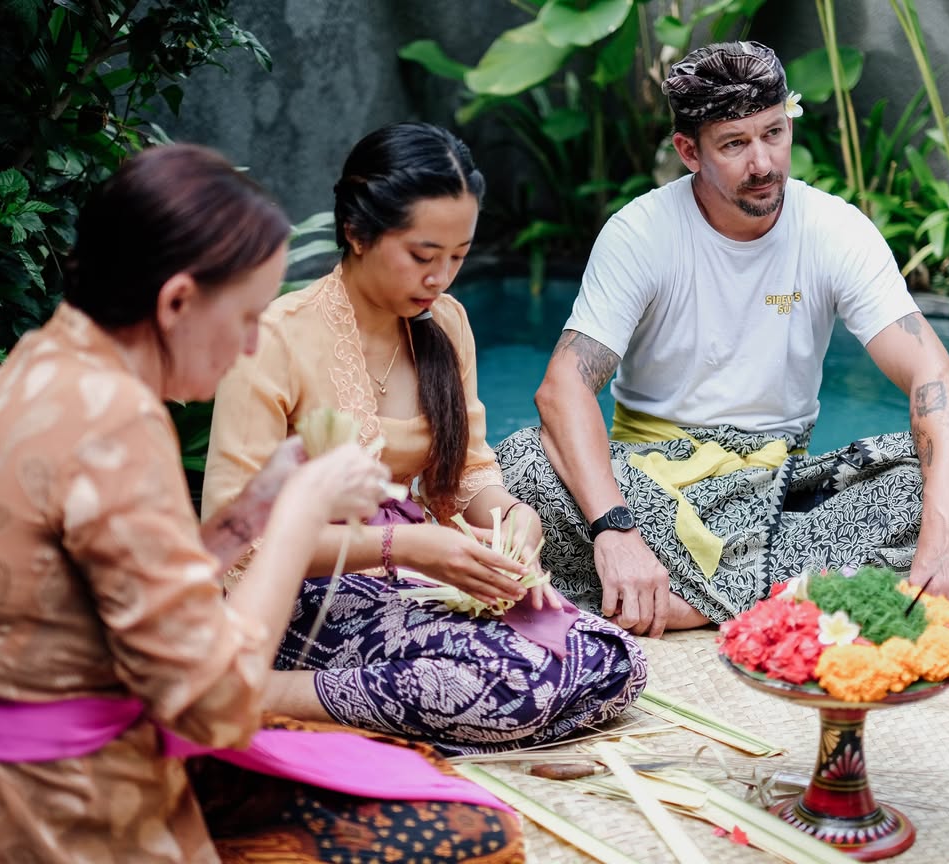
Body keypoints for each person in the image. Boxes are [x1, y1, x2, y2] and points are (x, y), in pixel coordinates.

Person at [0, 144, 524, 862]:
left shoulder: (42, 367)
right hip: (64, 811)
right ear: (177, 301)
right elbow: (218, 708)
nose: (246, 346)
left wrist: (251, 513)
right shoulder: (117, 426)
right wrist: (301, 509)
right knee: (474, 833)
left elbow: (137, 592)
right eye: (242, 318)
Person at [496, 41, 949, 639]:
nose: (764, 162)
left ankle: (691, 602)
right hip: (652, 482)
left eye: (774, 134)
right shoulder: (640, 234)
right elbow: (562, 391)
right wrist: (617, 530)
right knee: (521, 462)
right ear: (688, 151)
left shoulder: (835, 230)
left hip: (780, 481)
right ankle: (775, 590)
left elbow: (936, 378)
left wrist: (943, 525)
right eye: (735, 144)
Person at [203, 121, 647, 756]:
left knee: (613, 659)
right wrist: (405, 546)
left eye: (459, 256)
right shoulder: (274, 340)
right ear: (357, 232)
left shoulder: (447, 324)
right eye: (422, 255)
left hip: (402, 570)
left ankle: (378, 695)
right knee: (515, 678)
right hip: (292, 597)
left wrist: (513, 520)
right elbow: (239, 538)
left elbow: (469, 474)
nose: (441, 276)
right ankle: (261, 691)